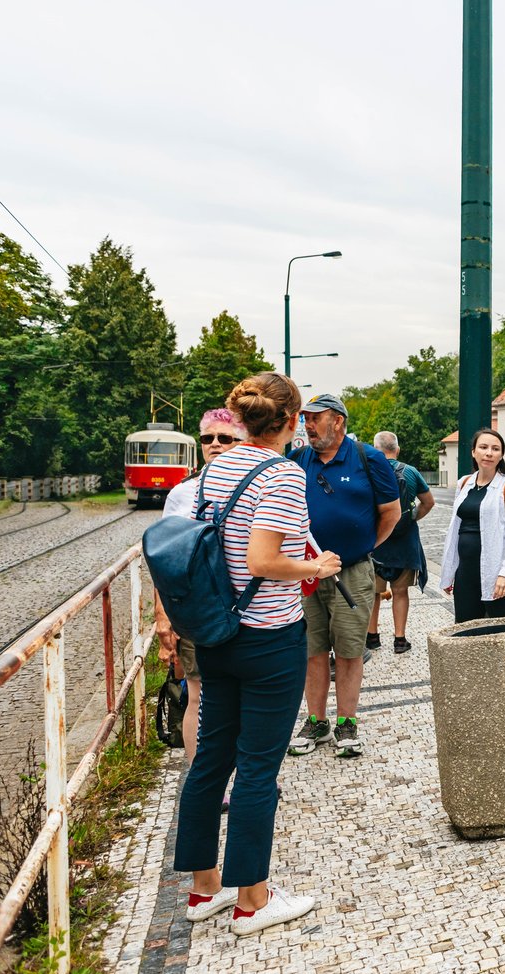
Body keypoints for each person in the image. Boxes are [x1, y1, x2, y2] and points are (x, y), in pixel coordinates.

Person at [173, 371, 341, 937]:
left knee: (211, 759)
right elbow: (264, 560)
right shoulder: (283, 475)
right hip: (268, 637)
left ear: (240, 420)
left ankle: (203, 889)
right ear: (292, 422)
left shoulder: (209, 473)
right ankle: (253, 901)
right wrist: (315, 567)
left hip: (216, 634)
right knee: (258, 767)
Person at [287, 394, 400, 759]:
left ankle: (347, 723)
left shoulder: (369, 459)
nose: (307, 425)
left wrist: (361, 547)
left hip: (351, 571)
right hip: (305, 573)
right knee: (312, 650)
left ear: (337, 421)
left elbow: (391, 512)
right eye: (304, 419)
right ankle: (316, 720)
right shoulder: (298, 460)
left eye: (314, 419)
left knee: (350, 651)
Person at [154, 409, 246, 764]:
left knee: (244, 697)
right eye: (208, 438)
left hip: (247, 609)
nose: (215, 445)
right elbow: (165, 560)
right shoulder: (183, 494)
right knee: (198, 696)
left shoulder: (257, 486)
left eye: (225, 438)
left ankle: (250, 774)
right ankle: (204, 778)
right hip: (201, 611)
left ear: (242, 442)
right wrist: (163, 617)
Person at [439, 428, 505, 623]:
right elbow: (455, 530)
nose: (489, 453)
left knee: (502, 633)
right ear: (473, 452)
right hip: (466, 573)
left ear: (501, 455)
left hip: (496, 572)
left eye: (495, 449)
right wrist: (449, 572)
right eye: (483, 447)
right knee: (466, 631)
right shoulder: (464, 484)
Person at [367, 431, 434, 654]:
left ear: (375, 449)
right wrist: (412, 516)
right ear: (397, 448)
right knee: (401, 591)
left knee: (373, 593)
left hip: (376, 541)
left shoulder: (369, 470)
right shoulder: (411, 472)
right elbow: (428, 502)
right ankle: (400, 640)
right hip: (405, 540)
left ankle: (372, 636)